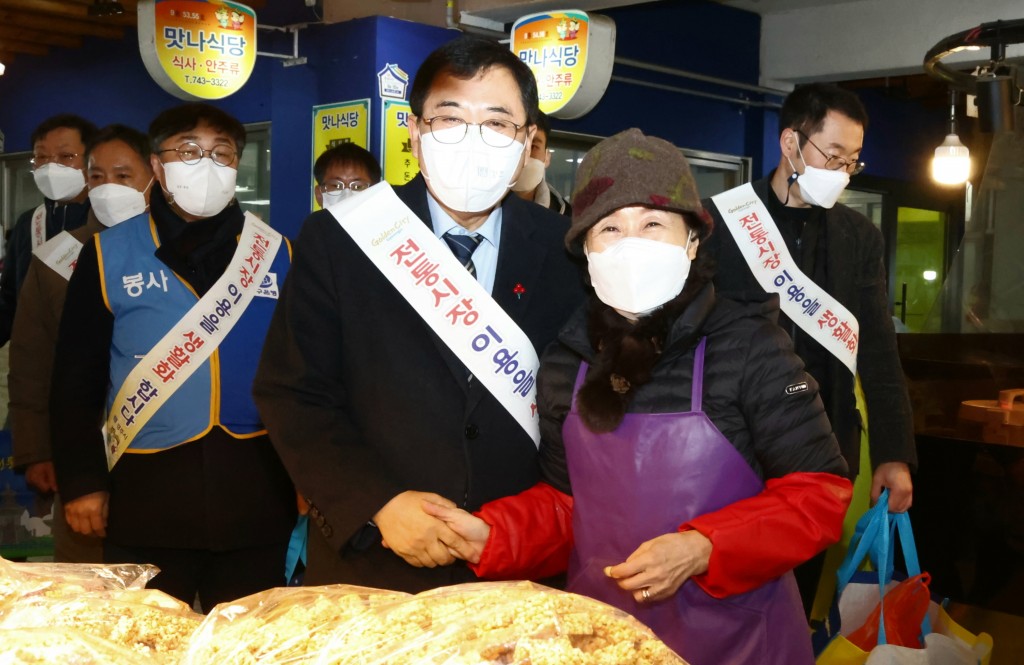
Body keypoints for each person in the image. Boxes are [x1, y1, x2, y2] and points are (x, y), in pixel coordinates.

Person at [425, 129, 852, 664]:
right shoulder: (564, 362)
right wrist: (493, 534)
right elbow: (567, 506)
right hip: (604, 642)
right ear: (585, 251)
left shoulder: (749, 344)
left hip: (739, 642)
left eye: (652, 224)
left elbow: (819, 495)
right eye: (610, 228)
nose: (631, 244)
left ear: (692, 241)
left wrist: (705, 548)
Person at [252, 35, 584, 593]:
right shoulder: (341, 237)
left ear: (528, 142)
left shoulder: (568, 249)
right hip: (375, 560)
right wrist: (378, 503)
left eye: (498, 124)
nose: (472, 142)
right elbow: (293, 394)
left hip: (520, 566)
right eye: (449, 119)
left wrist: (522, 527)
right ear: (415, 130)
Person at [50, 103, 296, 611]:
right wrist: (82, 483)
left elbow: (305, 379)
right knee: (144, 641)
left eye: (221, 153)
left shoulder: (278, 254)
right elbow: (76, 380)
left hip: (257, 495)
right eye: (188, 151)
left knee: (249, 644)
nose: (205, 165)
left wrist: (310, 483)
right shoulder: (107, 254)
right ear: (158, 168)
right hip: (146, 498)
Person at [701, 84, 916, 609]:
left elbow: (880, 353)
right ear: (791, 144)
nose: (842, 173)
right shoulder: (719, 222)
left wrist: (894, 453)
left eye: (852, 161)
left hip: (823, 448)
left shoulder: (858, 235)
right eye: (833, 156)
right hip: (731, 448)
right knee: (725, 597)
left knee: (795, 602)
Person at [9, 124, 155, 564]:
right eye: (96, 176)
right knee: (88, 578)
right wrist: (36, 451)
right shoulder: (55, 259)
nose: (108, 187)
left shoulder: (177, 252)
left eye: (123, 176)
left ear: (155, 177)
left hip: (160, 448)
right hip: (81, 447)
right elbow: (32, 362)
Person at [0, 114, 98, 344]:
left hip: (95, 363)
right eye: (41, 157)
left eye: (66, 156)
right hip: (35, 362)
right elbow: (10, 300)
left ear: (93, 160)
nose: (50, 166)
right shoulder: (28, 223)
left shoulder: (109, 220)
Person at [512, 111, 571, 216]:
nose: (524, 155)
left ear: (547, 157)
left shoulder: (565, 215)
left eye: (534, 146)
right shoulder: (478, 209)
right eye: (517, 144)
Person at [313, 142, 382, 209]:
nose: (347, 196)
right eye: (336, 186)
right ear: (319, 195)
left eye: (358, 187)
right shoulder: (311, 220)